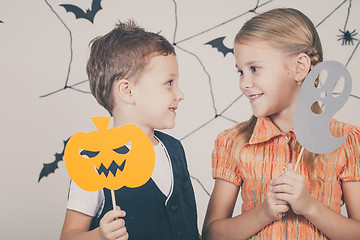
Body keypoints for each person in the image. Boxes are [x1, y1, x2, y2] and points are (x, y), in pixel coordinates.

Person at [202, 8, 360, 240]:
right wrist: (264, 212)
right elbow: (211, 234)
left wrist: (309, 207)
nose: (245, 83)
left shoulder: (345, 140)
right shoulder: (234, 143)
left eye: (254, 68)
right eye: (240, 71)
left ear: (299, 67)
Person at [60, 20, 200, 240]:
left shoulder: (175, 149)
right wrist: (98, 236)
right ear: (128, 91)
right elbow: (68, 236)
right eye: (169, 83)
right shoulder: (93, 160)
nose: (180, 94)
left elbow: (186, 223)